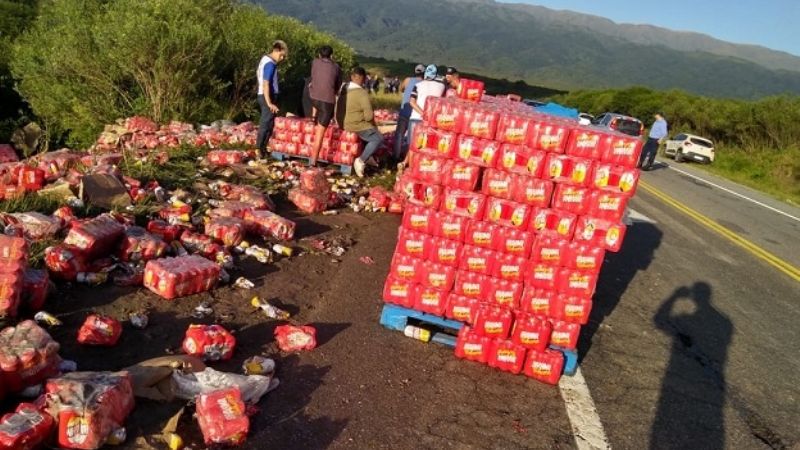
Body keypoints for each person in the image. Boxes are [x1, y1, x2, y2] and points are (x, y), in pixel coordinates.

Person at [399, 64, 446, 170]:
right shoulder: (441, 87)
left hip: (416, 118)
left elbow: (412, 102)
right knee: (425, 147)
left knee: (412, 146)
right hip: (430, 121)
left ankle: (409, 168)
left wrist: (422, 113)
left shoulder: (418, 85)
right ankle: (418, 168)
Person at [340, 67, 384, 178]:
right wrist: (374, 126)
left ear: (352, 77)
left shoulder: (343, 89)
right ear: (363, 79)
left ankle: (369, 157)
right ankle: (361, 160)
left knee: (370, 133)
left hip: (342, 122)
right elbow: (369, 116)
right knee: (378, 138)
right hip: (355, 124)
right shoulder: (361, 93)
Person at [308, 45, 341, 166]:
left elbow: (314, 77)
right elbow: (337, 87)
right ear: (331, 56)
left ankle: (313, 117)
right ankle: (313, 162)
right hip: (327, 103)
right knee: (319, 135)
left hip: (313, 99)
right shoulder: (336, 67)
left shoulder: (315, 62)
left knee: (313, 89)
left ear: (319, 55)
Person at [255, 40, 288, 157]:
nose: (282, 58)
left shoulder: (264, 59)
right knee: (266, 123)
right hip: (267, 96)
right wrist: (269, 103)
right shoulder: (270, 64)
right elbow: (266, 83)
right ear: (276, 50)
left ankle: (263, 148)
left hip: (264, 95)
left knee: (269, 123)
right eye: (282, 55)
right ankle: (259, 148)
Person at [393, 64, 425, 161]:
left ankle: (396, 157)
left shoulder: (407, 80)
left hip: (404, 111)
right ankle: (409, 159)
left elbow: (401, 88)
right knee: (412, 138)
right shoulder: (423, 83)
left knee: (399, 135)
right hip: (414, 113)